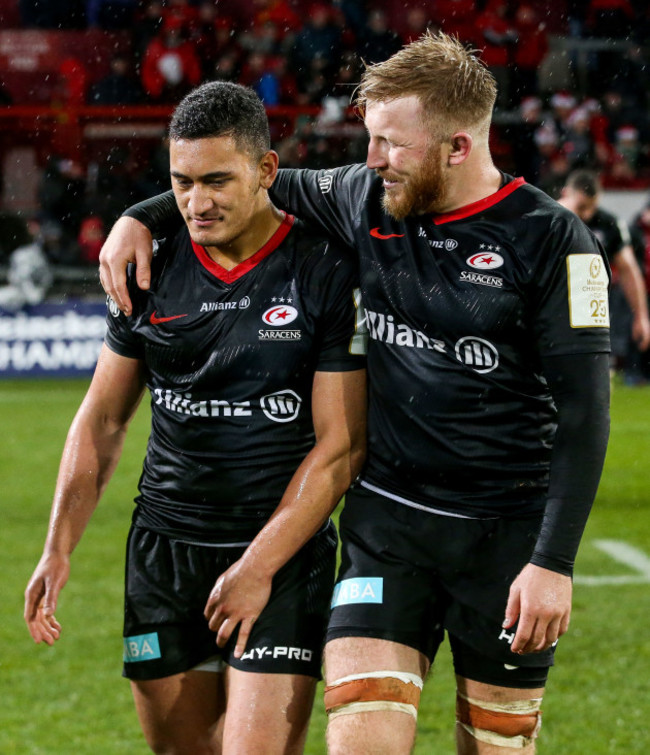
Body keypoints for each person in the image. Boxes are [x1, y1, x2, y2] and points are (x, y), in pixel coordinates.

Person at [99, 32, 611, 754]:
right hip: (388, 528)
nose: (371, 159)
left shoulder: (558, 244)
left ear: (458, 147)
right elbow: (240, 180)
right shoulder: (363, 196)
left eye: (390, 144)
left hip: (504, 535)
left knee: (496, 746)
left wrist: (553, 563)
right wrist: (139, 216)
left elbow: (587, 416)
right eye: (369, 139)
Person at [25, 81, 367, 755]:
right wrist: (58, 544)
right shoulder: (149, 264)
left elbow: (340, 447)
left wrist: (257, 565)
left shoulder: (324, 269)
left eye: (217, 181)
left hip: (281, 552)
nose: (196, 202)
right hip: (163, 551)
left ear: (267, 171)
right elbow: (102, 419)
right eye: (181, 182)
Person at [558, 170, 650, 361]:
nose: (587, 214)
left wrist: (641, 316)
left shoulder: (608, 223)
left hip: (589, 308)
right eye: (581, 206)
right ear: (566, 194)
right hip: (552, 304)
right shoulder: (547, 220)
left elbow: (629, 270)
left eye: (592, 207)